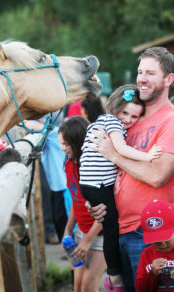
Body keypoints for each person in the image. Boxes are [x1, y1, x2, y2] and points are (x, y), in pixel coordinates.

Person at [86, 47, 174, 291]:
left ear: (169, 79)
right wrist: (96, 198)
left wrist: (114, 154)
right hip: (119, 228)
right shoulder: (130, 117)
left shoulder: (170, 120)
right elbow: (108, 167)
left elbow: (158, 176)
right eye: (140, 72)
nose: (142, 78)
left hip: (149, 233)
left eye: (150, 73)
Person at [79, 85, 161, 292]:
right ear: (115, 106)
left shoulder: (102, 122)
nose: (128, 119)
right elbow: (122, 150)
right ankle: (114, 277)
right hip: (98, 185)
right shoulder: (111, 122)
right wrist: (148, 156)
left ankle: (114, 274)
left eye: (135, 116)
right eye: (125, 112)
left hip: (93, 184)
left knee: (109, 227)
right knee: (111, 229)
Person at [58, 116, 106, 292]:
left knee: (87, 286)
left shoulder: (94, 168)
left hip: (100, 236)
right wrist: (67, 231)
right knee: (77, 287)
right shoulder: (69, 164)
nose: (62, 148)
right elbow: (76, 201)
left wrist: (86, 242)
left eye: (65, 144)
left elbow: (104, 212)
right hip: (81, 232)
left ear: (78, 142)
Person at [135, 200, 174, 291]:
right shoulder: (147, 254)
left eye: (167, 239)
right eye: (157, 241)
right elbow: (140, 289)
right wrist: (152, 274)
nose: (163, 244)